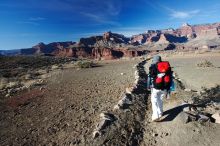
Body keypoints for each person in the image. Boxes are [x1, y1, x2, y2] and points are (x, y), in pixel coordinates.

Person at [147, 55, 172, 122]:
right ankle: (160, 113)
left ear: (154, 60)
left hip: (155, 88)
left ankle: (155, 116)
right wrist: (169, 88)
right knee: (160, 100)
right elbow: (170, 78)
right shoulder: (166, 66)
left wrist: (148, 86)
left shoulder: (153, 66)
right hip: (164, 88)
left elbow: (149, 77)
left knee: (154, 101)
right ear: (160, 60)